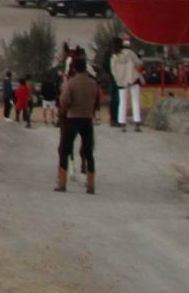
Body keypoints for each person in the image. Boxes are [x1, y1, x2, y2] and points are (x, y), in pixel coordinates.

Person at [55, 60, 102, 194]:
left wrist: (66, 108)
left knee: (65, 149)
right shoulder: (93, 84)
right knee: (88, 151)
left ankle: (62, 183)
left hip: (72, 119)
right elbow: (97, 100)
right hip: (87, 119)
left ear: (74, 69)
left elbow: (64, 100)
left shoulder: (70, 83)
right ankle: (91, 184)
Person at [111, 41, 142, 130]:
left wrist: (118, 79)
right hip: (133, 79)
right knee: (135, 101)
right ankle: (137, 123)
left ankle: (122, 124)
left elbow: (113, 70)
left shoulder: (114, 56)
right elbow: (138, 63)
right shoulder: (131, 53)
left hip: (121, 81)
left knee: (122, 102)